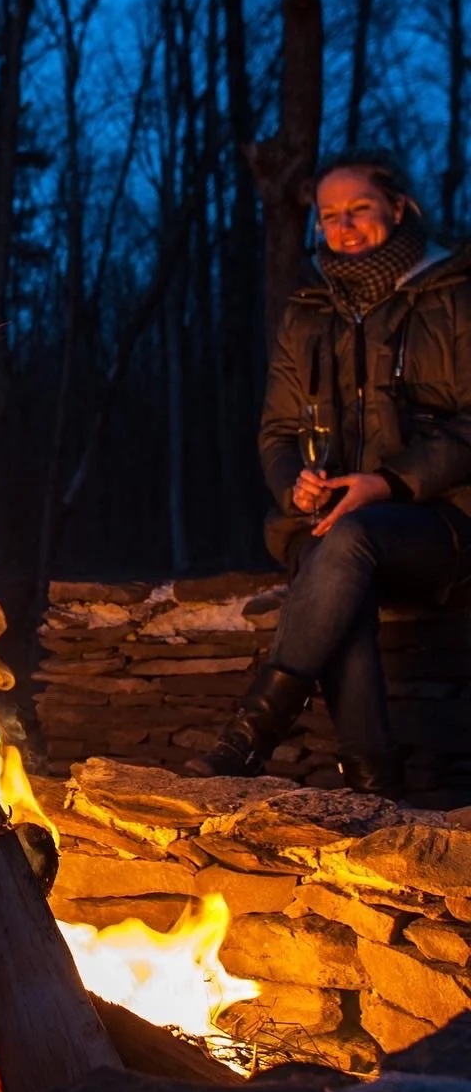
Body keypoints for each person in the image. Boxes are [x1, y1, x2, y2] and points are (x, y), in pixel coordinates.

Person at [185, 149, 471, 797]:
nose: (343, 226)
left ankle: (254, 731)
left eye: (359, 209)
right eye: (330, 214)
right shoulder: (309, 310)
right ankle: (374, 788)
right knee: (335, 563)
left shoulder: (455, 294)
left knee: (344, 544)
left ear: (399, 209)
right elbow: (278, 432)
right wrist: (296, 484)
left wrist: (388, 483)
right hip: (334, 522)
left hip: (445, 520)